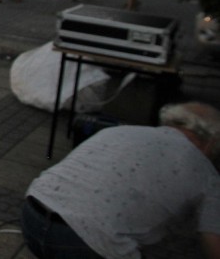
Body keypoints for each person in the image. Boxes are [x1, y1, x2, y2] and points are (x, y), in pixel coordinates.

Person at [21, 102, 220, 259]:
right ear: (211, 141)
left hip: (32, 214)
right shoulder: (207, 173)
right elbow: (213, 243)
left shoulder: (116, 131)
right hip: (90, 242)